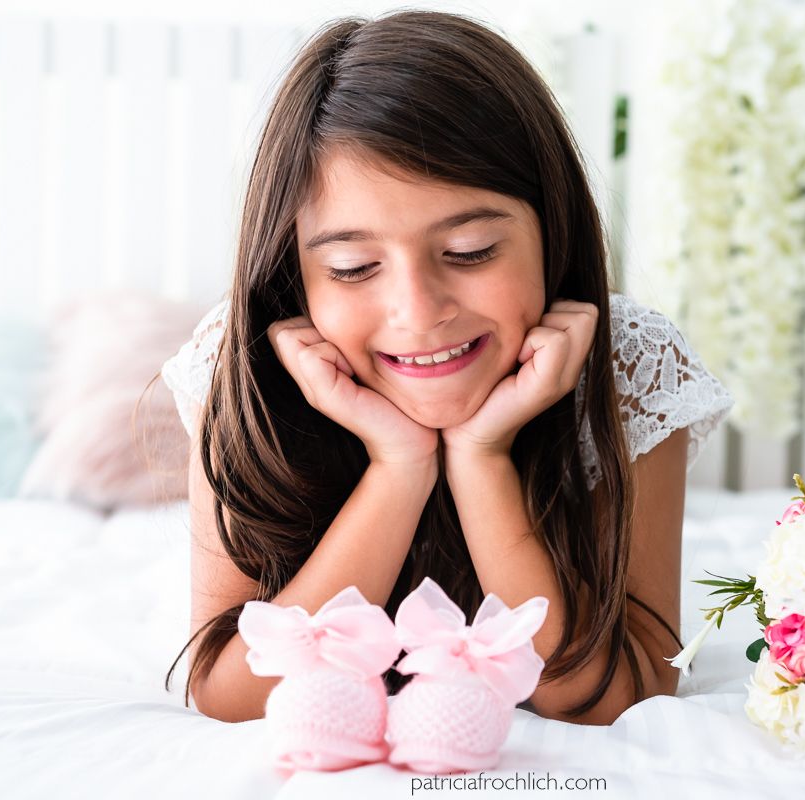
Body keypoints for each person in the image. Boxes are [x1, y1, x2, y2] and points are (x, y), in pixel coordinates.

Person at [161, 10, 733, 727]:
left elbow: (619, 696)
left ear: (552, 230)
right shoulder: (243, 363)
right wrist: (398, 467)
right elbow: (230, 693)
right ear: (294, 273)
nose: (419, 311)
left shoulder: (630, 368)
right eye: (353, 266)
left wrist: (481, 458)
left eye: (469, 252)